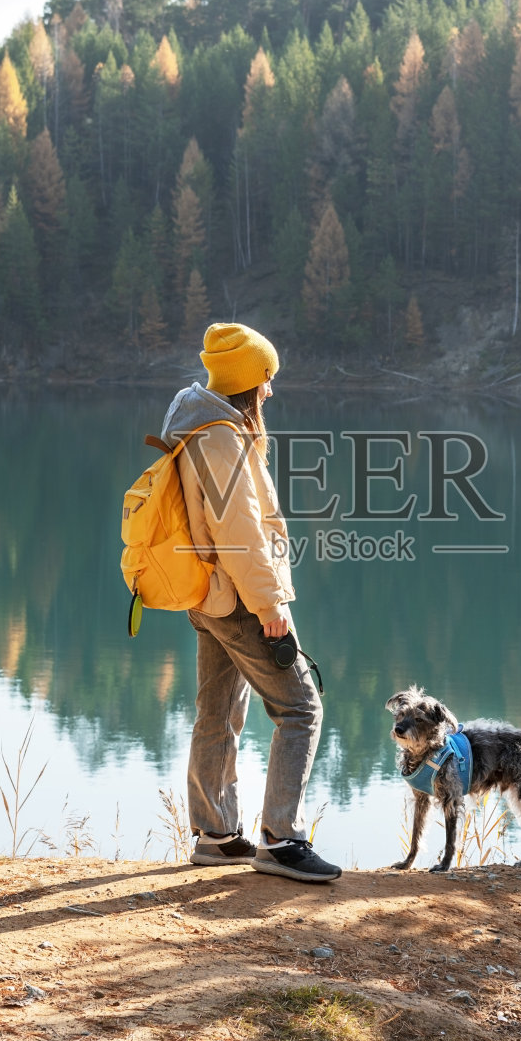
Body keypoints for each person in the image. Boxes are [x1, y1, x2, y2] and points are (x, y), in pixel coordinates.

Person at [159, 323, 341, 882]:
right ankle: (283, 842)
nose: (270, 391)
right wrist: (269, 605)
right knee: (300, 709)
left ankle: (216, 836)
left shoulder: (206, 429)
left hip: (209, 595)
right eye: (267, 379)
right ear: (248, 382)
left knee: (218, 713)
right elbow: (239, 532)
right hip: (238, 599)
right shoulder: (221, 439)